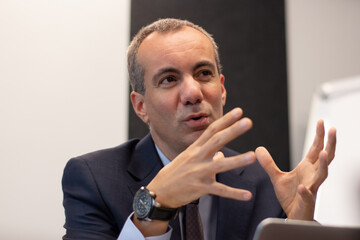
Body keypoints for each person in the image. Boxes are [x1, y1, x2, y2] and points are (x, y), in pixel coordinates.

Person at [62, 18, 337, 240]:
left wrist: (300, 228)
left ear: (222, 89)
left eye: (204, 74)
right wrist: (156, 208)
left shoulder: (263, 183)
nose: (193, 93)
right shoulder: (94, 179)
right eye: (169, 79)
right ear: (140, 106)